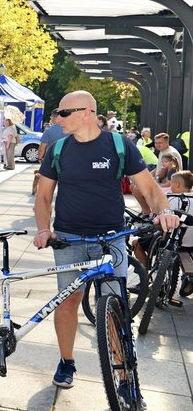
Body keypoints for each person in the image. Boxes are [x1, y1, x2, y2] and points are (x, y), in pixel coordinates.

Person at [33, 90, 179, 389]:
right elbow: (44, 195)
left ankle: (124, 375)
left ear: (86, 112)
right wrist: (43, 229)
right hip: (69, 239)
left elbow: (150, 189)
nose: (57, 118)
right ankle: (66, 361)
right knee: (67, 302)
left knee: (114, 304)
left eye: (63, 113)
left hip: (111, 239)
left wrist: (164, 210)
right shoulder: (59, 150)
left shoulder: (118, 145)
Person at [33, 110, 65, 195]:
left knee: (47, 183)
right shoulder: (69, 129)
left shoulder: (49, 131)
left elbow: (42, 147)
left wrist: (40, 158)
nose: (51, 120)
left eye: (51, 118)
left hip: (51, 160)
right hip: (66, 159)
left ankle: (45, 199)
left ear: (56, 117)